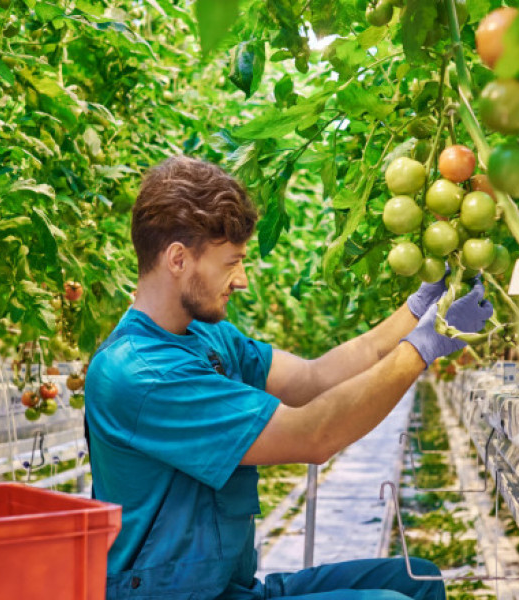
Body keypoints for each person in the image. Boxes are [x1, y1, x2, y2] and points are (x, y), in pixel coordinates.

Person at [84, 156, 493, 600]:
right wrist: (424, 346)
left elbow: (313, 380)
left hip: (230, 589)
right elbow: (312, 436)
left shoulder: (207, 336)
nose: (241, 280)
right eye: (230, 263)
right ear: (178, 259)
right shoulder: (140, 373)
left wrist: (418, 308)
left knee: (421, 579)